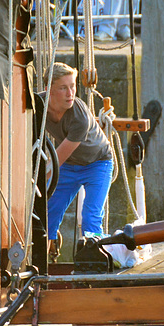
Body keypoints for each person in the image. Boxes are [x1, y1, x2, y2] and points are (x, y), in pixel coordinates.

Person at [43, 62, 113, 244]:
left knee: (91, 217)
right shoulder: (38, 106)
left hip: (98, 163)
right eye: (63, 88)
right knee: (48, 212)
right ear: (48, 89)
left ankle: (95, 259)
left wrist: (36, 183)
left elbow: (56, 160)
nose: (70, 94)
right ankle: (46, 255)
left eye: (73, 86)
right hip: (70, 165)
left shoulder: (79, 116)